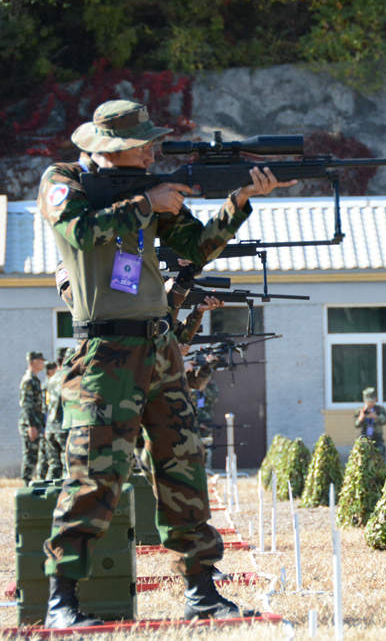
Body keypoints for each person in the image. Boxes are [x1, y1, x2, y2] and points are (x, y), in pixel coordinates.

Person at [36, 99, 294, 629]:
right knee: (94, 476)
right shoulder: (65, 181)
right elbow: (78, 233)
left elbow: (197, 248)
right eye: (147, 143)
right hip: (104, 353)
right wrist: (146, 204)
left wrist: (240, 199)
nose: (156, 149)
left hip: (160, 348)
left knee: (183, 468)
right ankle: (62, 601)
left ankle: (201, 589)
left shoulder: (152, 195)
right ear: (120, 148)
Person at [42, 347, 72, 480]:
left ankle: (48, 497)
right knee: (68, 466)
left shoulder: (51, 379)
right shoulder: (69, 376)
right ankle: (67, 498)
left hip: (50, 428)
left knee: (53, 466)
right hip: (63, 427)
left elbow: (45, 403)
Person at [19, 351, 47, 485]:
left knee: (35, 455)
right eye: (41, 361)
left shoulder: (34, 379)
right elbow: (27, 405)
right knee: (30, 455)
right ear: (34, 362)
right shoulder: (29, 380)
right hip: (30, 424)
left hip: (36, 422)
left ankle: (30, 483)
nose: (43, 364)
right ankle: (26, 483)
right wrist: (31, 426)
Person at [354, 386, 386, 457]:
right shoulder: (360, 410)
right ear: (365, 401)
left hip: (377, 437)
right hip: (364, 437)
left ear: (375, 400)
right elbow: (356, 425)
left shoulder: (380, 409)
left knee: (380, 453)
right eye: (368, 401)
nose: (370, 404)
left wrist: (376, 417)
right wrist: (361, 417)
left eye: (372, 401)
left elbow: (385, 421)